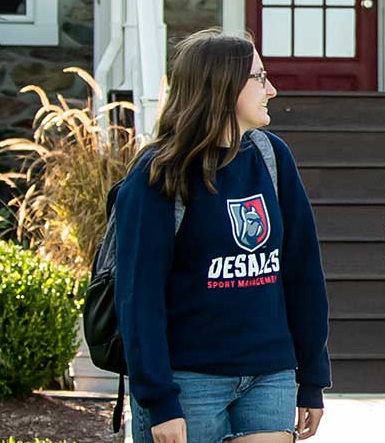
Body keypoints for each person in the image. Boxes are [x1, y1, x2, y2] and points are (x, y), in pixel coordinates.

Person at [112, 28, 330, 443]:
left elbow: (303, 273)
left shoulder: (271, 157)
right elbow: (138, 296)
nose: (273, 89)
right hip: (188, 382)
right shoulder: (158, 174)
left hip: (270, 374)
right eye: (260, 77)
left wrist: (313, 377)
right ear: (222, 85)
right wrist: (159, 399)